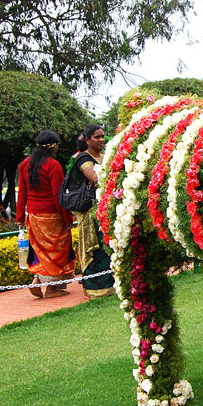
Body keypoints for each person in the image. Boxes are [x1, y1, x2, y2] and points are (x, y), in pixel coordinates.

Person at [16, 130, 76, 298]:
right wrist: (67, 217)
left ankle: (37, 281)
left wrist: (20, 217)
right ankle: (52, 289)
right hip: (52, 214)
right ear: (54, 146)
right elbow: (59, 196)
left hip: (33, 215)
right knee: (56, 251)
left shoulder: (24, 164)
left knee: (41, 251)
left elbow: (22, 194)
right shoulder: (53, 165)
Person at [71, 124, 116, 298]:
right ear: (87, 140)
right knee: (94, 247)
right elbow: (96, 179)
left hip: (106, 207)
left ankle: (111, 286)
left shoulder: (104, 156)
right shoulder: (83, 158)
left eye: (103, 136)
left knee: (108, 247)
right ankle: (95, 289)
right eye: (97, 137)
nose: (102, 140)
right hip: (90, 212)